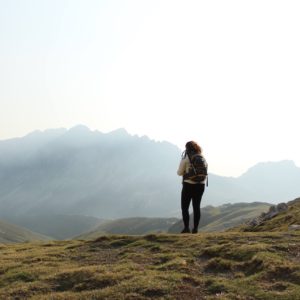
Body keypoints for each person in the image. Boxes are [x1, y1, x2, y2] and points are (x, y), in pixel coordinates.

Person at [177, 141, 207, 234]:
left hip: (188, 185)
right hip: (201, 185)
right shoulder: (202, 158)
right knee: (196, 207)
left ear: (187, 148)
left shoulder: (186, 158)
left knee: (185, 207)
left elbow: (179, 173)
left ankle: (186, 228)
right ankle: (195, 229)